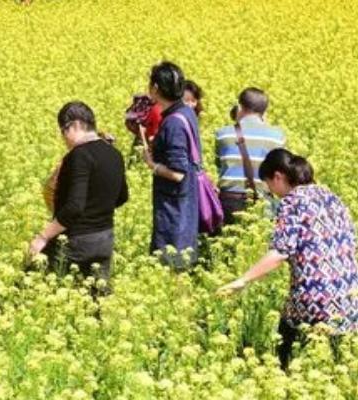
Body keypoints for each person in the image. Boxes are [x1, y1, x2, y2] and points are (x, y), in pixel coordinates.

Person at [218, 149, 358, 369]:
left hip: (315, 296)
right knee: (337, 355)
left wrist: (243, 280)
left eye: (269, 185)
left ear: (278, 177)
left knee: (285, 339)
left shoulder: (292, 201)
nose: (272, 193)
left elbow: (280, 252)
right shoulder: (331, 196)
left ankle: (282, 375)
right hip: (348, 294)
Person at [30, 101, 128, 296]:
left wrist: (42, 237)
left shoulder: (78, 156)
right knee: (96, 300)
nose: (63, 138)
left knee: (33, 285)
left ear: (75, 125)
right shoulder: (114, 154)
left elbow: (75, 206)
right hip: (105, 239)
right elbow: (122, 197)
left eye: (63, 131)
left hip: (76, 241)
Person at [142, 61, 201, 268]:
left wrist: (152, 164)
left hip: (175, 208)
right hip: (185, 203)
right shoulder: (187, 113)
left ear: (155, 89)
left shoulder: (173, 122)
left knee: (173, 265)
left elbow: (178, 173)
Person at [215, 87, 286, 224]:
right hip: (262, 200)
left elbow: (219, 166)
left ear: (239, 107)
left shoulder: (223, 134)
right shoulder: (277, 136)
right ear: (264, 111)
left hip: (230, 200)